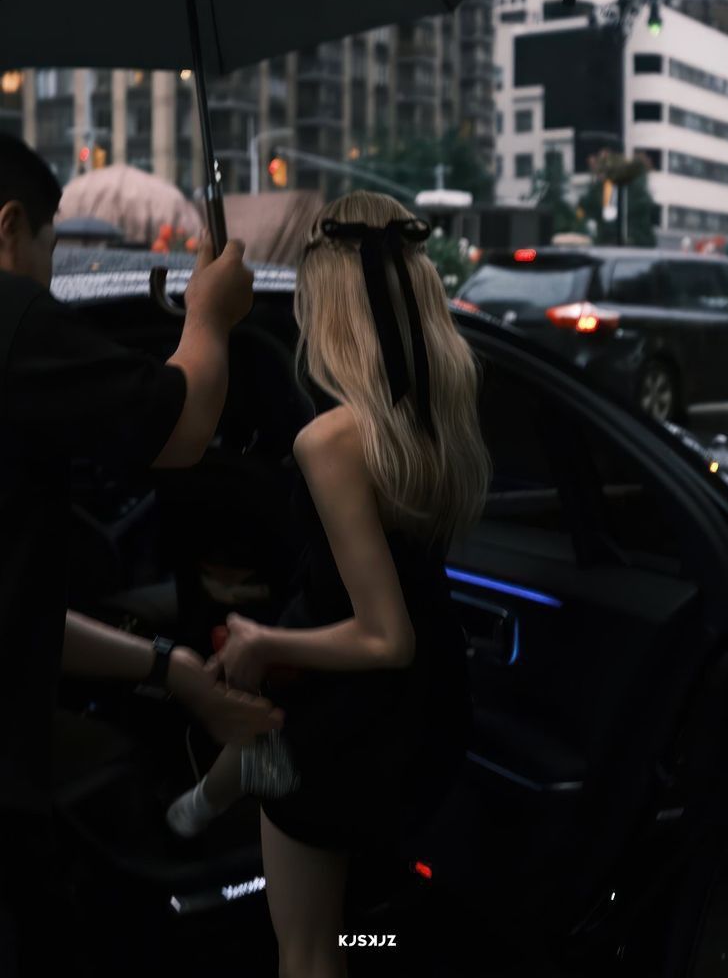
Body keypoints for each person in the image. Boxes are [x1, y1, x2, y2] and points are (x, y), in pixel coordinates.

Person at [166, 190, 491, 978]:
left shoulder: (330, 438)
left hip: (349, 713)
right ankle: (245, 763)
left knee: (309, 951)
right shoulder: (435, 415)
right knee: (352, 930)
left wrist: (257, 638)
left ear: (327, 300)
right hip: (428, 701)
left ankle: (248, 762)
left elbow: (383, 634)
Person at [0, 135, 285, 975]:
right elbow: (184, 427)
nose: (52, 271)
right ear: (11, 226)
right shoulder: (12, 321)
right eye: (53, 246)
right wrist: (209, 313)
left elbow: (15, 616)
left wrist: (175, 670)